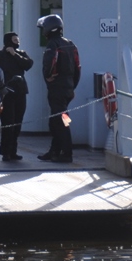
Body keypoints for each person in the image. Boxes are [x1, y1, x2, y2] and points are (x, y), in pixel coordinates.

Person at [37, 14, 80, 163]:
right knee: (57, 120)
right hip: (68, 88)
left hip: (57, 89)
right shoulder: (70, 44)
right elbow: (77, 67)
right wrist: (73, 85)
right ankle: (54, 151)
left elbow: (49, 64)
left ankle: (67, 153)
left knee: (62, 120)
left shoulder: (52, 45)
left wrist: (48, 77)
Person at [0, 31, 34, 161]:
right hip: (5, 93)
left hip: (20, 91)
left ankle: (13, 150)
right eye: (14, 40)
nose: (17, 43)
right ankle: (5, 151)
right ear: (8, 41)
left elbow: (28, 64)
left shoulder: (20, 54)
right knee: (8, 122)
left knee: (17, 122)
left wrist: (15, 55)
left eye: (18, 40)